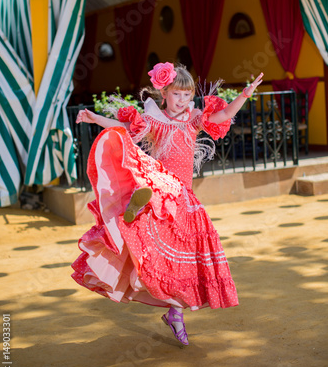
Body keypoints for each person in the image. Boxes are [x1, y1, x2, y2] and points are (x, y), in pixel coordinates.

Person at [72, 63, 263, 346]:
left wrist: (245, 94)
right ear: (165, 94)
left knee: (183, 259)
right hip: (163, 186)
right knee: (153, 224)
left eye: (187, 95)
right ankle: (136, 210)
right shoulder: (154, 121)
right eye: (177, 94)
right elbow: (124, 127)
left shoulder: (193, 119)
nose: (183, 100)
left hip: (185, 199)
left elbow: (223, 114)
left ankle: (175, 313)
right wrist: (94, 118)